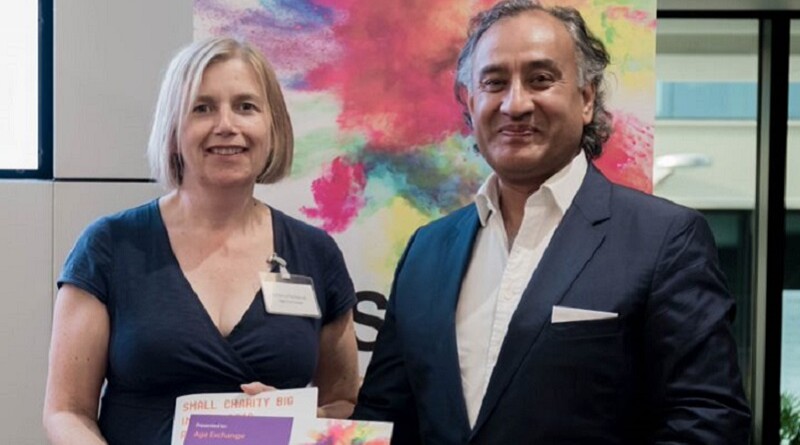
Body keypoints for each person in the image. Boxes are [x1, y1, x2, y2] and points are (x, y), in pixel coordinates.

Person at [352, 1, 751, 443]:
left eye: (540, 79)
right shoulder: (426, 250)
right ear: (471, 102)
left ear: (587, 98)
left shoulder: (665, 239)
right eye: (494, 83)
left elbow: (708, 421)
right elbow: (383, 417)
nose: (515, 104)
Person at [43, 37, 359, 445]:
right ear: (174, 129)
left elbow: (341, 401)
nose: (226, 125)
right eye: (202, 108)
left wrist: (296, 422)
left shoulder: (316, 254)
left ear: (273, 126)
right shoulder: (109, 247)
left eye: (246, 106)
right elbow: (66, 411)